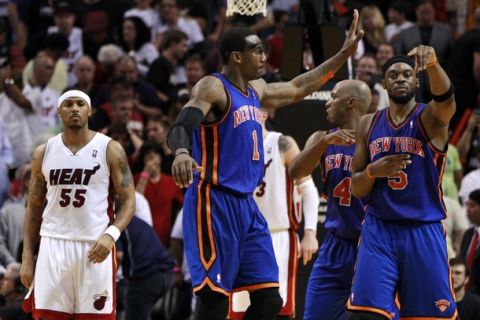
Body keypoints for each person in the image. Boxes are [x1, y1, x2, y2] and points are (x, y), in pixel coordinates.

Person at [166, 10, 363, 320]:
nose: (263, 54)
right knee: (214, 300)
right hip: (213, 201)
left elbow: (300, 87)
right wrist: (180, 153)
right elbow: (182, 124)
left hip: (247, 206)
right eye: (256, 49)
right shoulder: (212, 88)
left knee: (270, 298)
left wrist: (341, 56)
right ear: (236, 57)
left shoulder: (257, 90)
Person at [347, 47, 457, 319]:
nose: (400, 79)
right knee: (366, 314)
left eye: (407, 74)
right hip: (379, 229)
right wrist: (372, 171)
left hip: (422, 228)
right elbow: (356, 187)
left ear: (417, 82)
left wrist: (432, 64)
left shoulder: (430, 118)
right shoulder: (367, 123)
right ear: (384, 83)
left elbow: (446, 100)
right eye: (393, 74)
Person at [19, 90, 136, 319]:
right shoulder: (43, 153)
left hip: (94, 247)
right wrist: (26, 258)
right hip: (53, 246)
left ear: (89, 111)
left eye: (80, 104)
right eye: (68, 104)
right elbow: (33, 208)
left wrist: (110, 235)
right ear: (59, 111)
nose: (74, 108)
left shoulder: (110, 149)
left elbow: (129, 202)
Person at [288, 80, 372, 319]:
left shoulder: (376, 138)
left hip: (370, 244)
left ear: (351, 102)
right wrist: (324, 143)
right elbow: (296, 171)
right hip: (335, 244)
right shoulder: (322, 138)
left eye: (333, 96)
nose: (327, 102)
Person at [230, 111, 320, 319]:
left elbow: (308, 189)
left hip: (278, 235)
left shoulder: (281, 143)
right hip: (243, 238)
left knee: (279, 308)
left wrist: (310, 232)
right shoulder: (234, 148)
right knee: (240, 310)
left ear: (263, 115)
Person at [460, 189, 480, 293]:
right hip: (467, 295)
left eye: (472, 206)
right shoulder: (469, 234)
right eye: (467, 205)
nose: (467, 210)